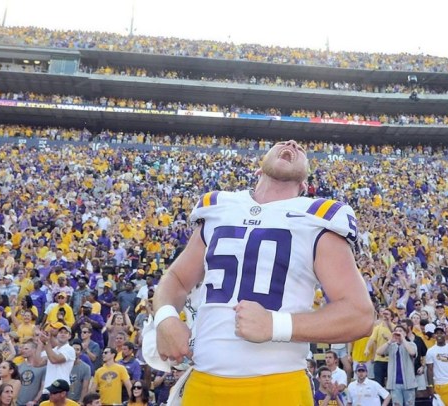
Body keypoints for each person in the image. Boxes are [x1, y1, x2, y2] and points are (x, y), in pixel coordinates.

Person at [153, 140, 373, 405]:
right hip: (203, 384)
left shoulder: (317, 218)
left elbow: (360, 315)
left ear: (305, 185)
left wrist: (275, 325)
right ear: (259, 168)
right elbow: (176, 279)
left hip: (278, 385)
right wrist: (165, 318)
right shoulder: (220, 207)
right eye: (281, 142)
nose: (292, 143)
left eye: (301, 149)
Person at [376, 325, 417, 406]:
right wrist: (390, 341)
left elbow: (412, 352)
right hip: (394, 383)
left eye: (400, 331)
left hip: (409, 383)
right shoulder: (391, 346)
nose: (398, 332)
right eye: (396, 331)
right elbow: (378, 352)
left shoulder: (411, 344)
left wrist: (403, 339)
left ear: (405, 333)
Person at [36, 324, 75, 401]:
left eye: (65, 333)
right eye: (60, 332)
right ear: (57, 335)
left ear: (70, 336)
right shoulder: (53, 350)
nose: (63, 334)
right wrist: (40, 344)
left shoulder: (70, 349)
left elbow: (54, 360)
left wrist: (46, 343)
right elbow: (38, 363)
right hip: (47, 389)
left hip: (60, 389)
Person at [16, 339, 46, 406]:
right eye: (23, 349)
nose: (23, 351)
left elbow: (43, 387)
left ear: (34, 350)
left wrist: (35, 401)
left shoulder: (43, 367)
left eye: (26, 349)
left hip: (32, 404)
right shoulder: (19, 366)